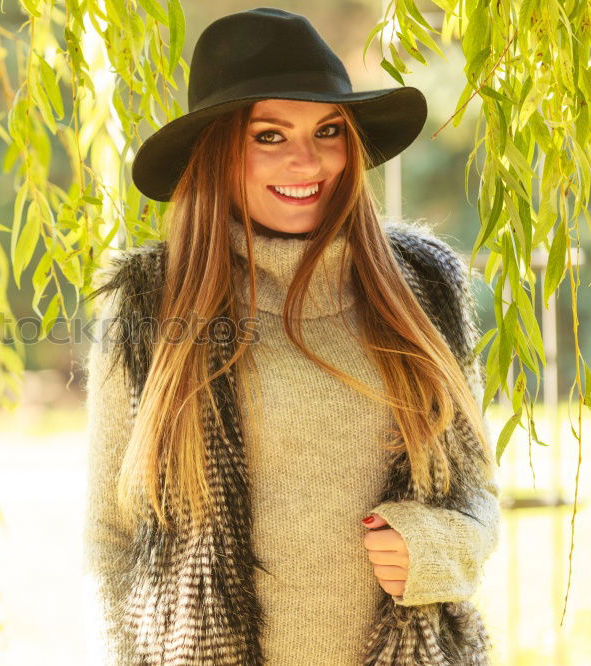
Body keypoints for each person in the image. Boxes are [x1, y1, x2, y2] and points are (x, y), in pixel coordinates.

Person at [82, 7, 501, 666]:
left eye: (328, 130)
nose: (307, 160)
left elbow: (476, 496)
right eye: (269, 136)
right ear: (216, 151)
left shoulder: (424, 285)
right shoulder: (148, 304)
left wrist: (435, 548)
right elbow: (111, 539)